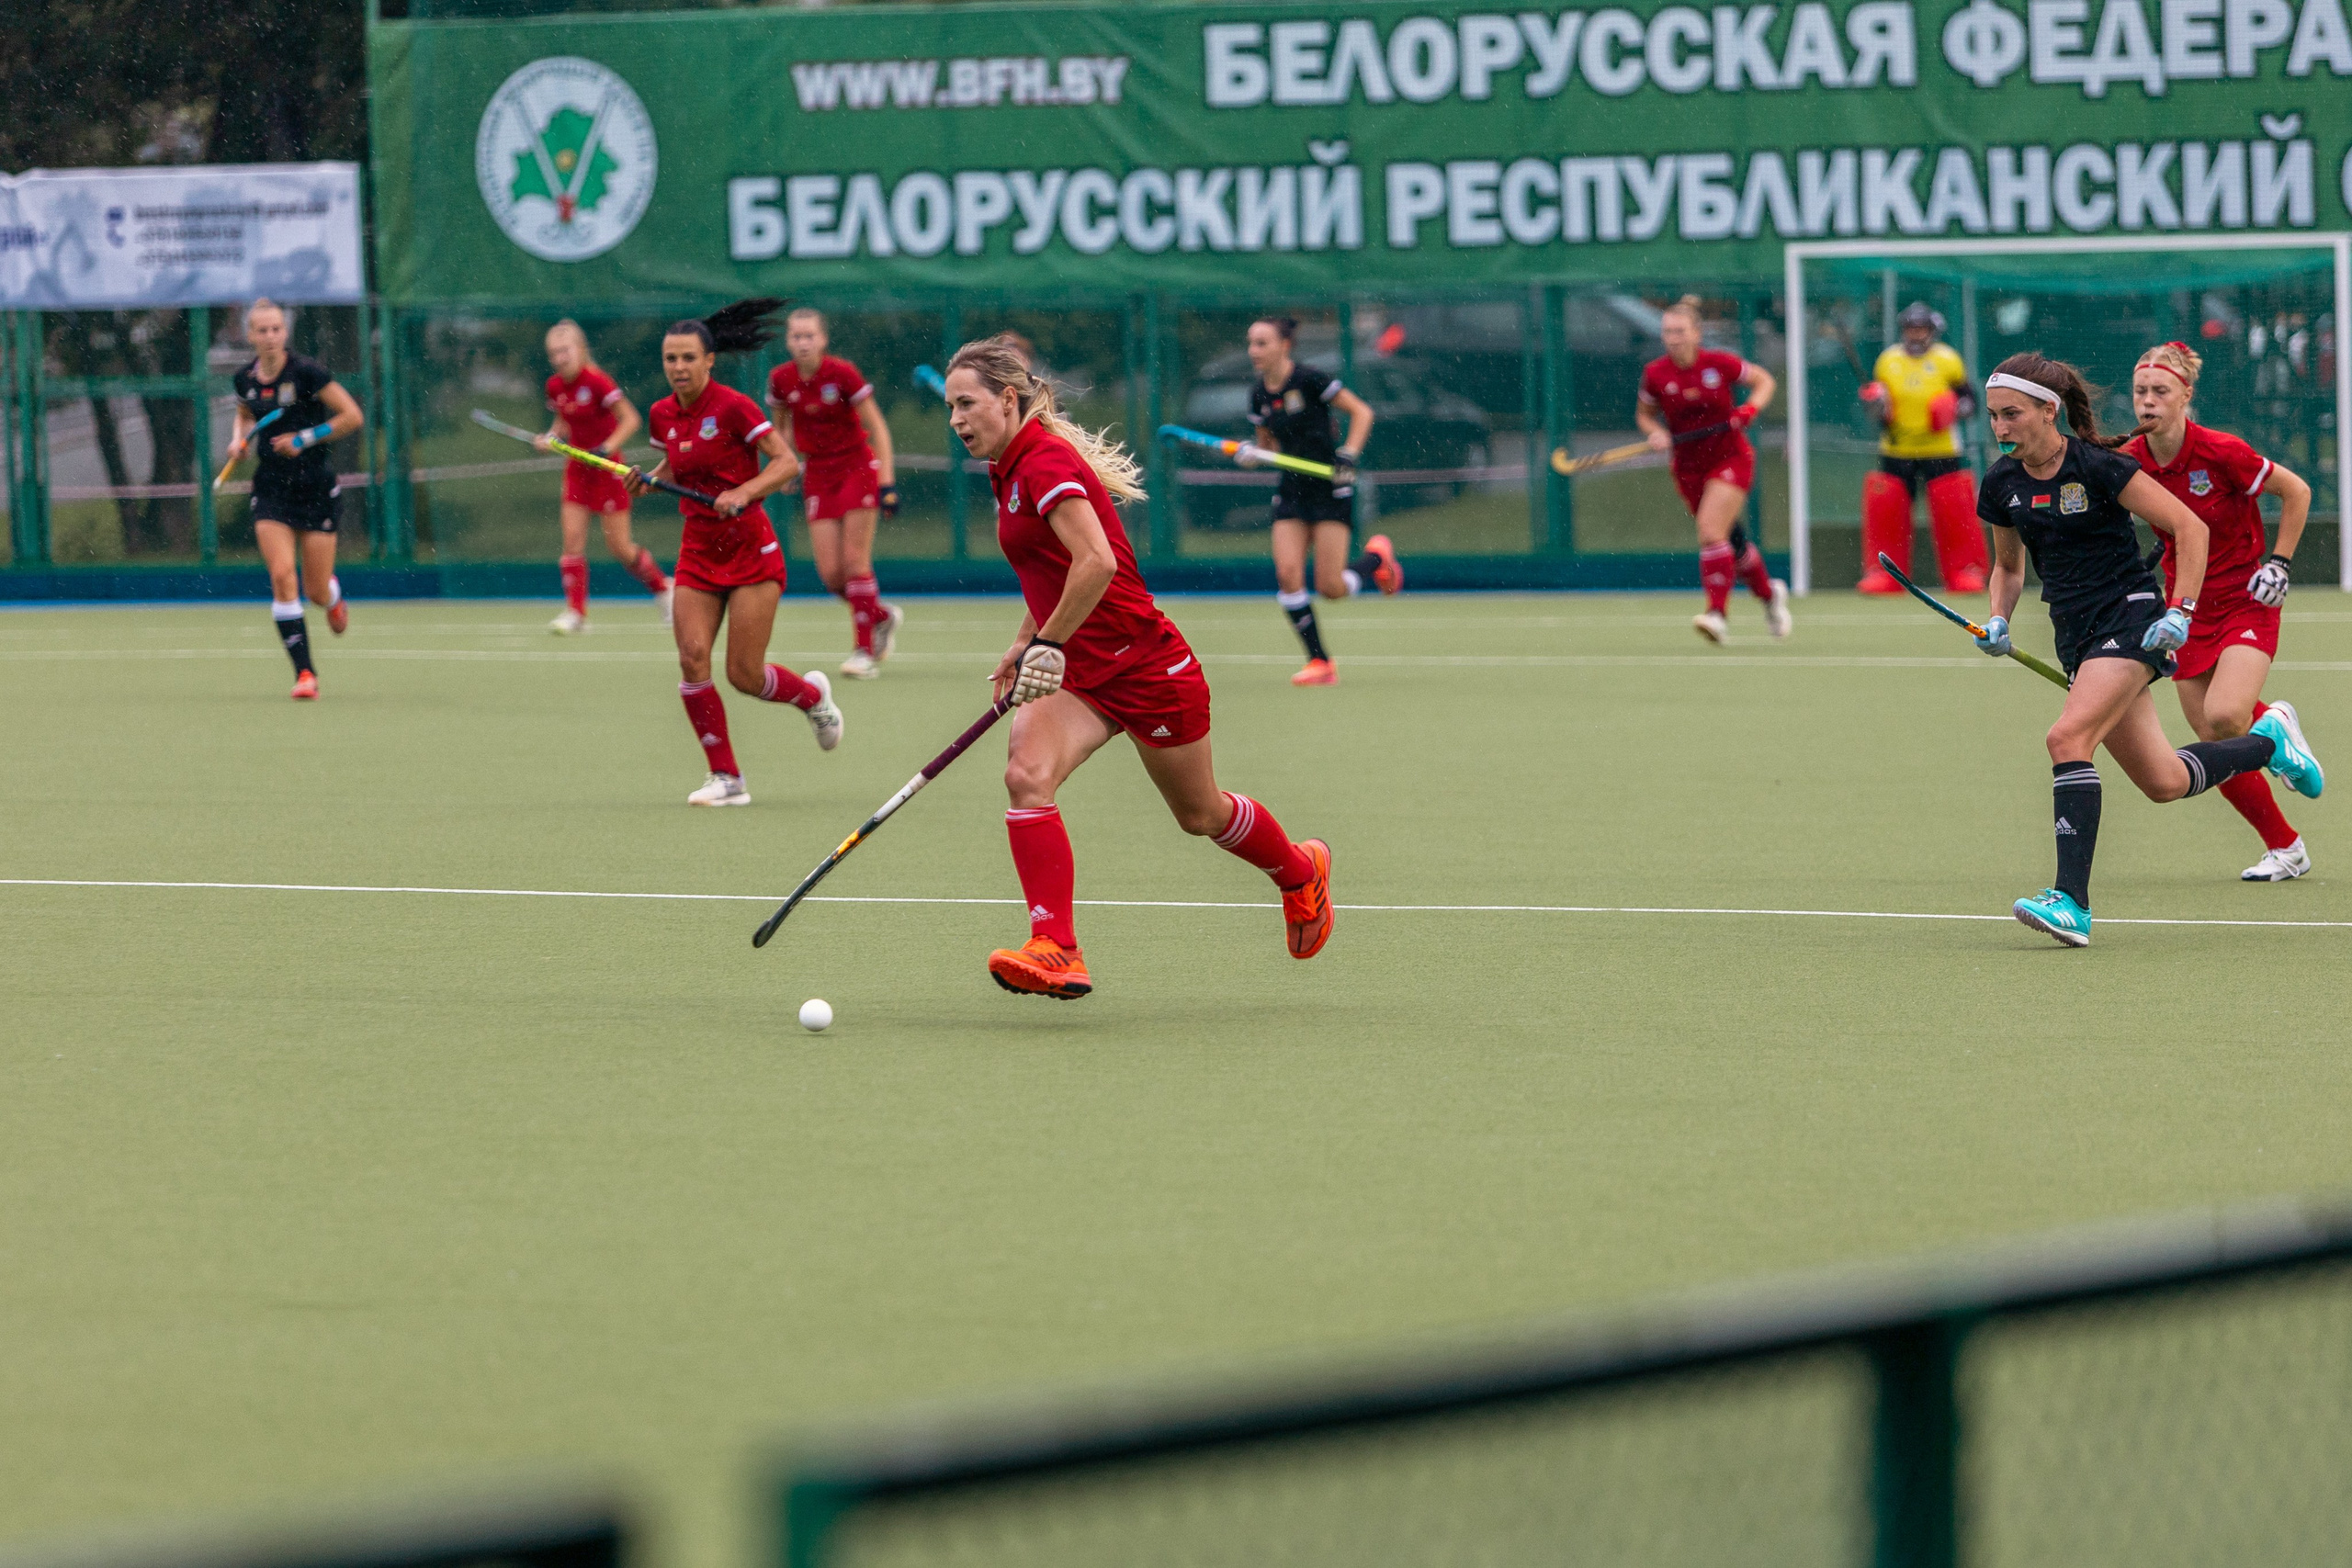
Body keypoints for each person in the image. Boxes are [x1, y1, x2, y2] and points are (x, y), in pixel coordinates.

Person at [938, 334, 1333, 998]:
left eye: (966, 404)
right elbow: (1050, 567)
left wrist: (1049, 645)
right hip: (1082, 673)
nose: (956, 421)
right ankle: (1056, 947)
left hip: (1145, 664)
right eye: (949, 407)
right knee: (1026, 774)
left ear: (1008, 399)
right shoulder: (1007, 465)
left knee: (1201, 815)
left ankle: (1299, 871)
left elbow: (1098, 563)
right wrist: (1025, 638)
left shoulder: (1042, 461)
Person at [1970, 352, 2321, 947]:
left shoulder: (2101, 466)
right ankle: (2270, 739)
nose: (2001, 428)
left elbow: (2192, 528)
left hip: (2131, 619)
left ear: (2048, 411)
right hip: (2077, 637)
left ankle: (2071, 902)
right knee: (2162, 780)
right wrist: (1998, 619)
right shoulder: (2001, 484)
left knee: (2066, 738)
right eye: (1994, 416)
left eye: (2012, 414)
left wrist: (2179, 612)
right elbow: (2008, 566)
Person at [627, 299, 844, 807]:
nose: (678, 368)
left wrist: (745, 492)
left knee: (744, 674)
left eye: (687, 359)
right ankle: (726, 778)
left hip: (751, 550)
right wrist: (650, 483)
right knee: (691, 658)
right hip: (699, 551)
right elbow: (679, 468)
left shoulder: (734, 407)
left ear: (709, 361)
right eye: (670, 359)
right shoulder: (663, 414)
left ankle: (812, 698)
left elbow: (786, 464)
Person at [2122, 340, 2317, 882]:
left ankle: (2275, 725)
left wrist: (2279, 563)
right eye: (2140, 392)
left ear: (2185, 394)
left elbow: (2296, 492)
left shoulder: (2220, 451)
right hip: (2184, 609)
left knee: (2227, 717)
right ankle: (2286, 847)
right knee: (2216, 744)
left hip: (2245, 598)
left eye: (2160, 391)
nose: (2148, 402)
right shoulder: (2130, 462)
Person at [1242, 316, 1401, 686]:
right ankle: (1320, 662)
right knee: (1288, 575)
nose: (1254, 351)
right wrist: (1253, 455)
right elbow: (1268, 448)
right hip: (1292, 489)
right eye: (1251, 343)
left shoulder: (1311, 379)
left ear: (1285, 345)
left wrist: (1348, 454)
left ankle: (1376, 560)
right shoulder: (1258, 394)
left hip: (1330, 486)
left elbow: (1363, 412)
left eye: (1262, 343)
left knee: (1331, 588)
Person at [227, 299, 364, 700]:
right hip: (271, 489)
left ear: (284, 333)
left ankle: (333, 598)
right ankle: (305, 673)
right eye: (262, 330)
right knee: (283, 578)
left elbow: (351, 416)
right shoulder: (244, 379)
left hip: (315, 487)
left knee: (316, 591)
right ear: (250, 336)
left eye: (276, 329)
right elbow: (246, 413)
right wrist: (239, 440)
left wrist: (305, 438)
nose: (270, 337)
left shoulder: (307, 372)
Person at [1636, 295, 1790, 644]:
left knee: (1709, 531)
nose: (1673, 338)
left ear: (1697, 333)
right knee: (1730, 543)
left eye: (1679, 331)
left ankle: (1717, 614)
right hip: (1688, 467)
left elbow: (1765, 381)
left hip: (1729, 458)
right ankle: (1769, 596)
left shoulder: (1719, 364)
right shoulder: (1655, 374)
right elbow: (1644, 415)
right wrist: (1656, 432)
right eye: (1667, 332)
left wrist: (1748, 411)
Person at [766, 308, 902, 679]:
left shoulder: (842, 373)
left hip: (856, 467)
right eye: (796, 336)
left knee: (856, 561)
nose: (803, 342)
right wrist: (786, 464)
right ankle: (881, 616)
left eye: (809, 335)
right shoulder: (781, 379)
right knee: (831, 575)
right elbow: (780, 430)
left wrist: (886, 483)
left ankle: (864, 651)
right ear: (788, 341)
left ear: (823, 339)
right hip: (818, 474)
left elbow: (877, 427)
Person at [537, 320, 672, 635]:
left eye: (565, 350)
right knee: (572, 541)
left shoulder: (598, 382)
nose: (560, 358)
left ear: (581, 349)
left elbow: (631, 419)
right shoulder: (554, 386)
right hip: (577, 472)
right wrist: (550, 438)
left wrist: (606, 448)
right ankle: (576, 613)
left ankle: (663, 589)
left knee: (621, 549)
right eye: (554, 353)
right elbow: (562, 421)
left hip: (609, 471)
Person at [1856, 301, 1985, 595]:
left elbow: (1971, 402)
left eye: (1921, 329)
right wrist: (1875, 405)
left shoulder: (1948, 360)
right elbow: (1879, 411)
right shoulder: (1887, 360)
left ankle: (1965, 570)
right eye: (1910, 329)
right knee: (1888, 515)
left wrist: (1952, 409)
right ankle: (1884, 573)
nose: (1915, 335)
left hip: (1942, 451)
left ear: (1931, 331)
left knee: (1955, 514)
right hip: (1896, 450)